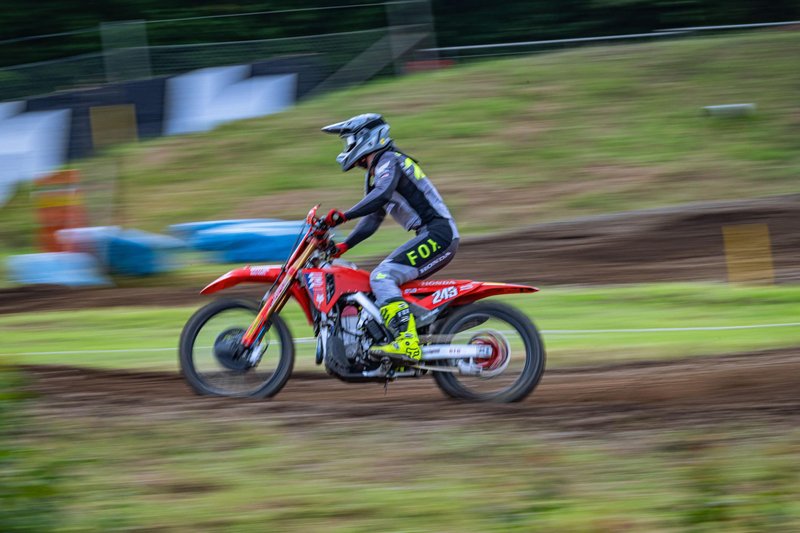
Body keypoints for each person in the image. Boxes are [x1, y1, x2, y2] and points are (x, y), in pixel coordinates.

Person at [321, 113, 459, 361]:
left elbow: (382, 196)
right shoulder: (383, 167)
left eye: (350, 142)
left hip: (438, 233)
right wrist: (343, 246)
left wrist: (343, 216)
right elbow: (373, 218)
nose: (348, 149)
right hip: (433, 233)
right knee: (379, 281)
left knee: (382, 276)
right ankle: (399, 334)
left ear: (366, 138)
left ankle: (407, 344)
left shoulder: (389, 161)